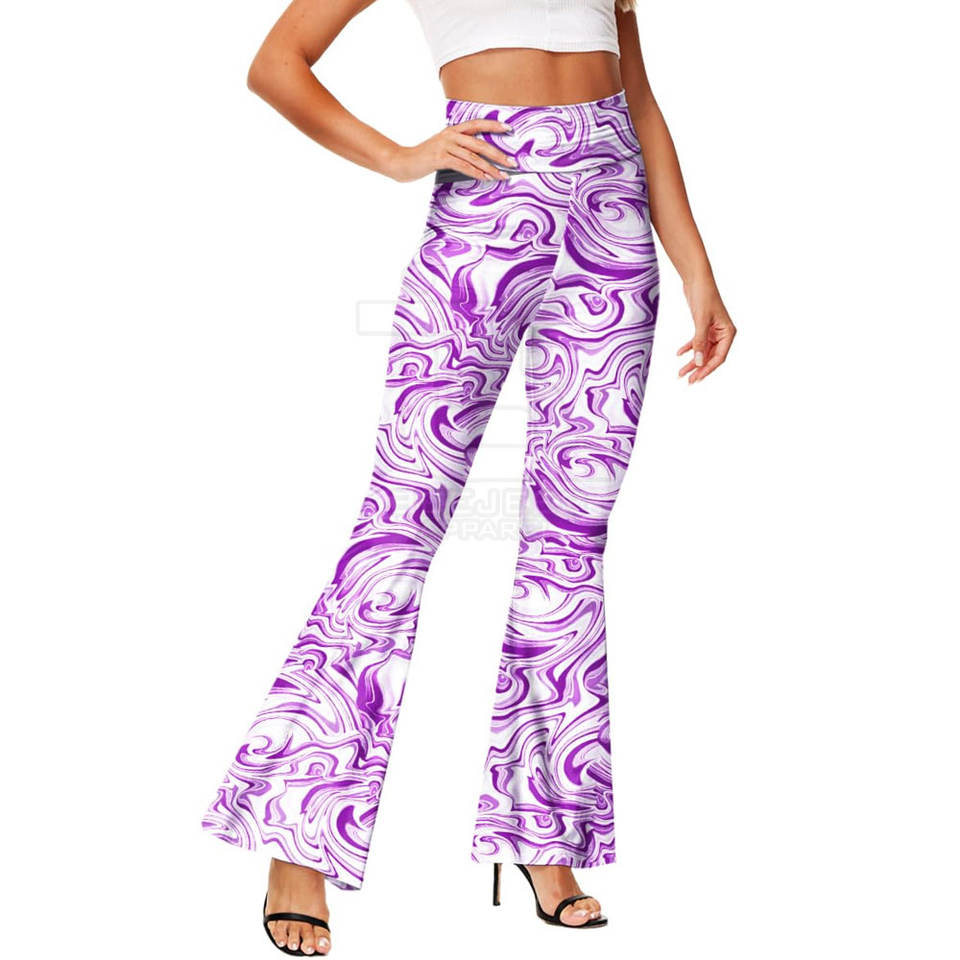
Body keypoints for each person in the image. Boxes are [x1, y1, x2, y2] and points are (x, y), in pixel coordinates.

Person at [201, 0, 737, 954]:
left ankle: (545, 837)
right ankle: (297, 837)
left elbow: (641, 100)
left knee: (568, 550)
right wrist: (398, 156)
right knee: (397, 529)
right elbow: (277, 63)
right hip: (484, 220)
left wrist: (697, 267)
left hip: (613, 235)